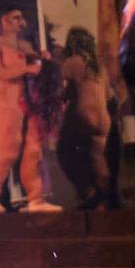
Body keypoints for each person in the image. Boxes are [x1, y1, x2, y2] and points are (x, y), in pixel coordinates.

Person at [0, 6, 63, 213]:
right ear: (4, 20)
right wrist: (25, 68)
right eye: (16, 18)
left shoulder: (24, 45)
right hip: (6, 103)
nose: (20, 22)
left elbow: (37, 64)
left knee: (32, 150)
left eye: (21, 18)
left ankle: (35, 198)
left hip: (28, 103)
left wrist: (43, 58)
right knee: (8, 148)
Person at [56, 27, 113, 207]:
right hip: (103, 120)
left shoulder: (72, 62)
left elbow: (58, 90)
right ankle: (106, 200)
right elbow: (108, 96)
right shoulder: (100, 67)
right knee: (97, 158)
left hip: (82, 116)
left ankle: (87, 193)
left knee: (64, 151)